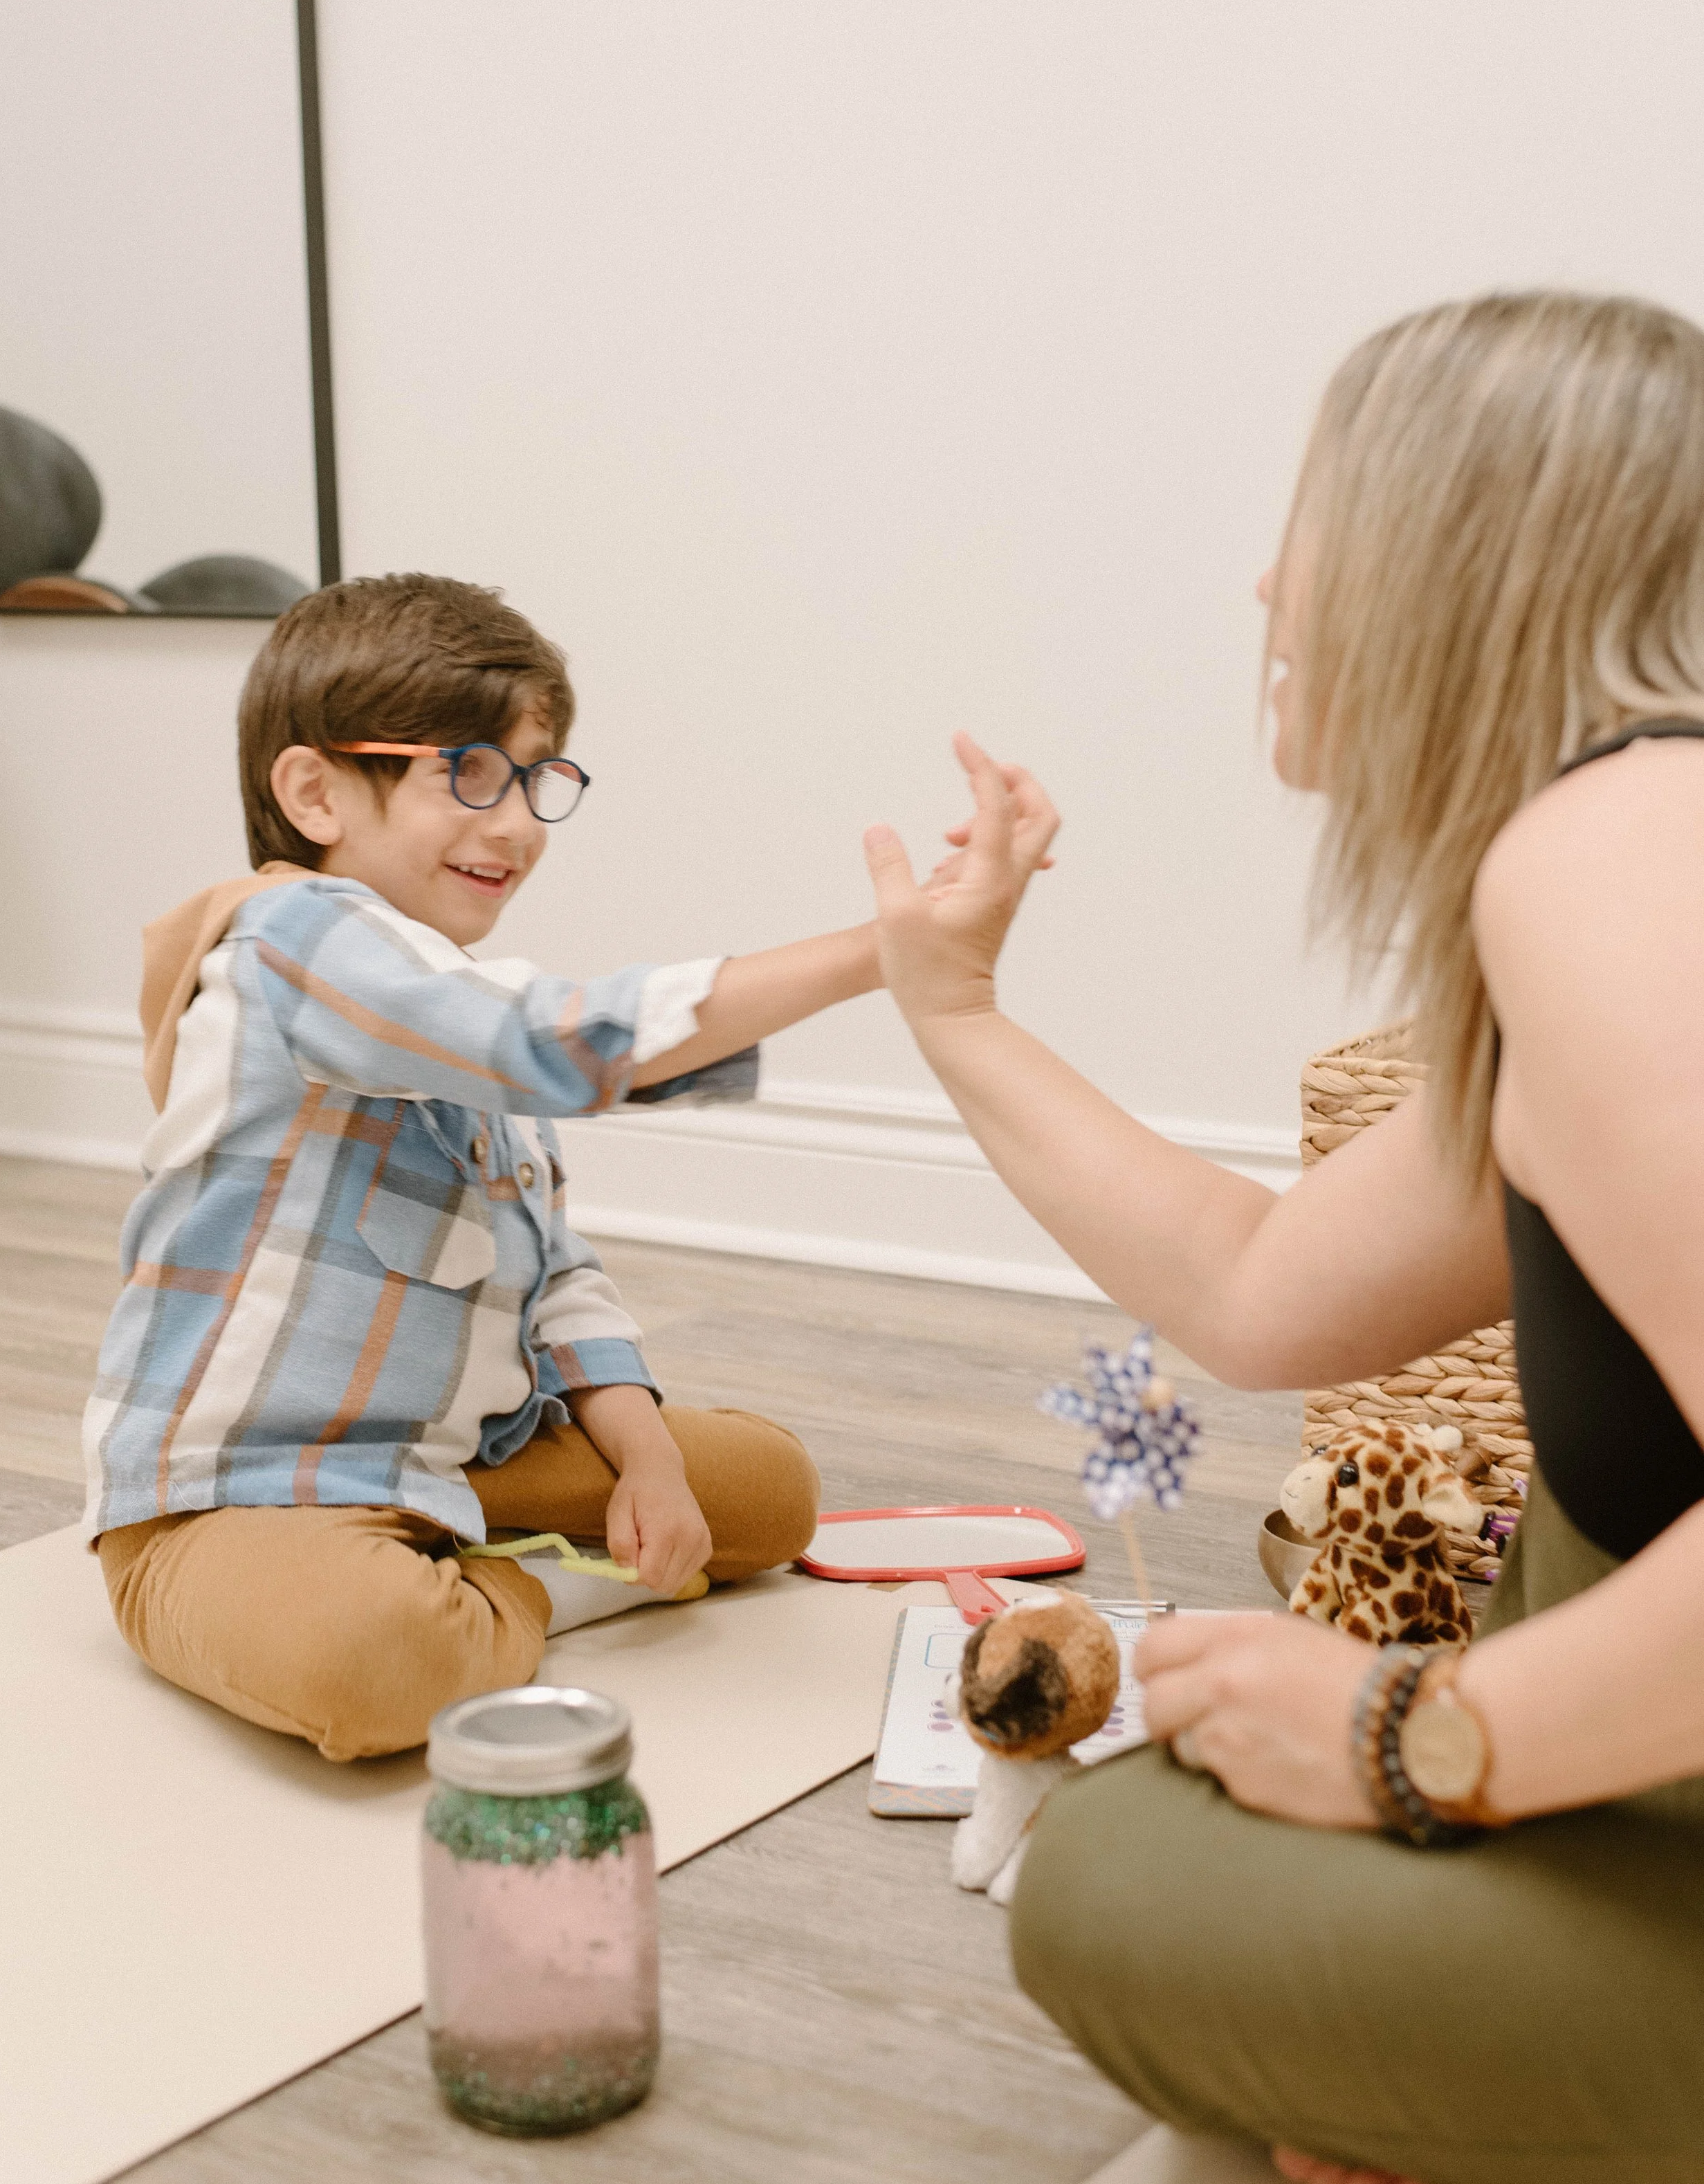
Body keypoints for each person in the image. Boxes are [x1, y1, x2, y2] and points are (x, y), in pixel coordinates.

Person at [863, 293, 1704, 2184]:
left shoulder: (1611, 861)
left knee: (1114, 1885)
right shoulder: (1625, 855)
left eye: (1307, 518)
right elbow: (1257, 1288)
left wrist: (1419, 1735)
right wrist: (958, 1014)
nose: (1262, 586)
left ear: (1450, 545)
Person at [87, 572, 880, 1760]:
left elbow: (560, 1278)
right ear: (314, 791)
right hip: (233, 1500)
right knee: (371, 1662)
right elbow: (547, 1043)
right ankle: (535, 1595)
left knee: (766, 1492)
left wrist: (650, 1461)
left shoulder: (464, 1029)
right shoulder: (290, 943)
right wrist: (879, 954)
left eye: (535, 778)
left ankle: (474, 1565)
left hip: (446, 1464)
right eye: (467, 773)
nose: (512, 823)